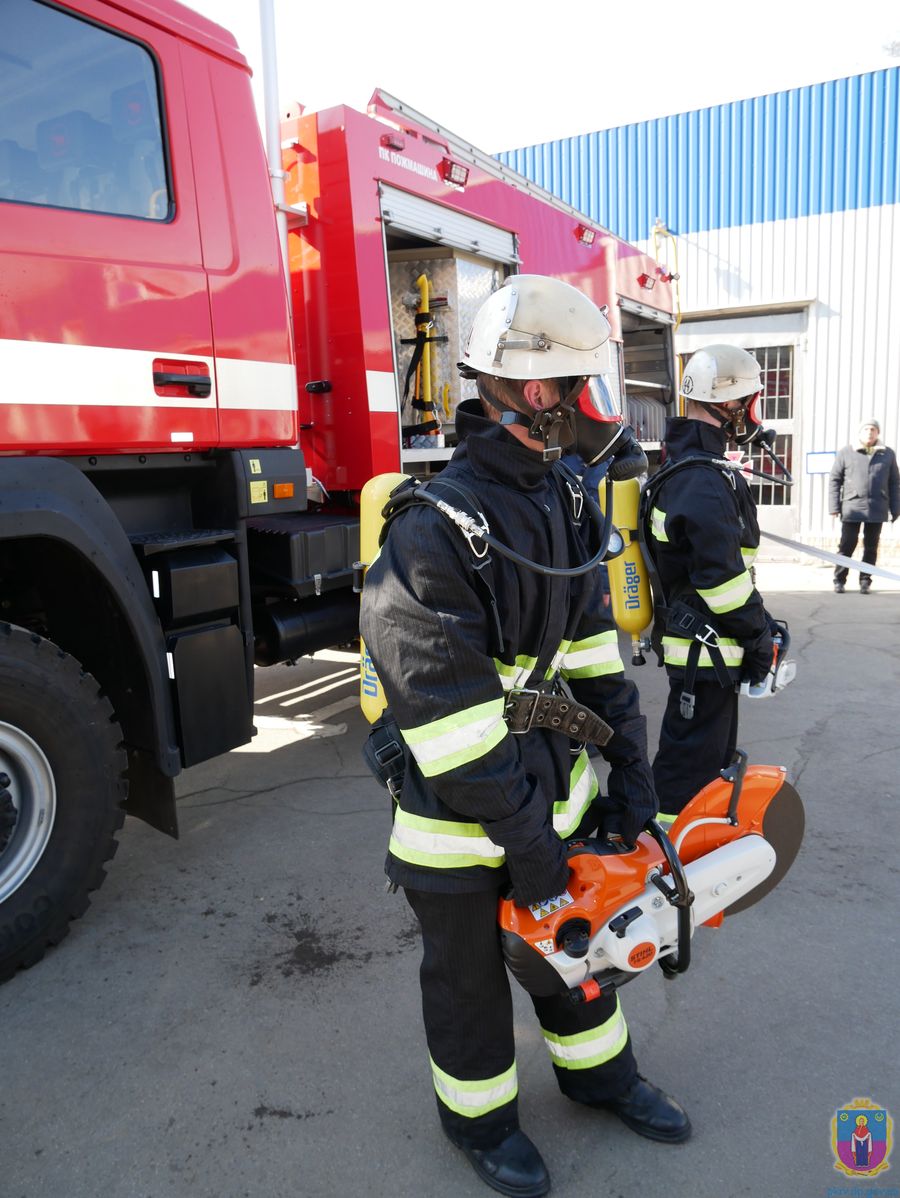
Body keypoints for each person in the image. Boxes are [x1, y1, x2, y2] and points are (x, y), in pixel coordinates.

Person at [360, 275, 689, 1198]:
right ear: (536, 393)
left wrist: (631, 773)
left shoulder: (565, 504)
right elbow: (454, 728)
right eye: (591, 390)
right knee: (468, 985)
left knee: (575, 946)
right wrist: (531, 847)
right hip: (461, 822)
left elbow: (591, 662)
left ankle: (602, 1080)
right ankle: (481, 1124)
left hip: (550, 795)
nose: (603, 415)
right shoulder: (431, 534)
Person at [645, 344, 778, 820]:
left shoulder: (694, 470)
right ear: (730, 405)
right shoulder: (701, 481)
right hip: (706, 653)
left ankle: (687, 855)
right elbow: (721, 583)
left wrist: (761, 622)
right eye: (750, 402)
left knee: (708, 765)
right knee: (689, 771)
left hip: (709, 650)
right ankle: (660, 865)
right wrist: (757, 635)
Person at [828, 419, 899, 593]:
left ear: (878, 433)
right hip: (852, 506)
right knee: (847, 545)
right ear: (860, 432)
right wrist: (833, 506)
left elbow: (894, 483)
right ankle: (839, 579)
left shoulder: (887, 454)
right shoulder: (846, 452)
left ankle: (865, 581)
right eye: (866, 429)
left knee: (871, 547)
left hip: (877, 508)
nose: (870, 432)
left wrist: (896, 509)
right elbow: (835, 480)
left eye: (873, 429)